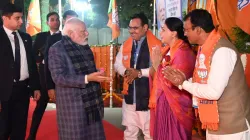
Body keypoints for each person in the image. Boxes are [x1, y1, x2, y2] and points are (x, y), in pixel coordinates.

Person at [163, 9, 250, 140]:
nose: (185, 34)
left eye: (187, 30)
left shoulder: (222, 50)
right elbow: (204, 79)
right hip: (214, 123)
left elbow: (213, 91)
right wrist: (184, 80)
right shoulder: (205, 48)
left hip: (232, 127)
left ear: (198, 30)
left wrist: (183, 83)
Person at [48, 18, 111, 140]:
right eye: (83, 31)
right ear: (71, 33)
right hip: (73, 106)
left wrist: (95, 73)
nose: (87, 33)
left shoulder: (84, 46)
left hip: (91, 102)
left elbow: (84, 70)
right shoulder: (57, 49)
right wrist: (88, 78)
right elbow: (59, 78)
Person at [114, 13, 162, 140]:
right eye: (130, 27)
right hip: (130, 97)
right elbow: (117, 64)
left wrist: (139, 73)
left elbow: (158, 69)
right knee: (130, 132)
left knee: (149, 134)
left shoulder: (156, 45)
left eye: (135, 28)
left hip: (147, 97)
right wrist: (126, 72)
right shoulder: (126, 44)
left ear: (145, 27)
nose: (131, 31)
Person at [150, 17, 195, 140]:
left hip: (176, 106)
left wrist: (157, 65)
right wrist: (156, 65)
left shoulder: (183, 52)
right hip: (164, 103)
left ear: (174, 33)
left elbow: (172, 81)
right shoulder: (167, 50)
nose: (160, 33)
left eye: (164, 30)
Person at [0, 3, 41, 140]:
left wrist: (36, 87)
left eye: (21, 18)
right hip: (4, 90)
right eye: (17, 18)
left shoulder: (26, 38)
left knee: (20, 127)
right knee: (4, 128)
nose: (21, 21)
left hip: (23, 89)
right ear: (5, 18)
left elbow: (31, 64)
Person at [27, 12, 60, 140]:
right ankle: (32, 135)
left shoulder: (64, 36)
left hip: (59, 75)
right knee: (40, 106)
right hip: (44, 76)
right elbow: (32, 54)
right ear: (47, 22)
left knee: (63, 108)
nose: (55, 22)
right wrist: (41, 59)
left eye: (57, 19)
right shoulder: (41, 37)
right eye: (52, 20)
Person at [44, 10, 78, 102]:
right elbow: (48, 64)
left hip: (80, 83)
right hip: (62, 83)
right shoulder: (54, 39)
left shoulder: (81, 37)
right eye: (69, 20)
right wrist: (50, 87)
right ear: (63, 21)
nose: (72, 22)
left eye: (75, 20)